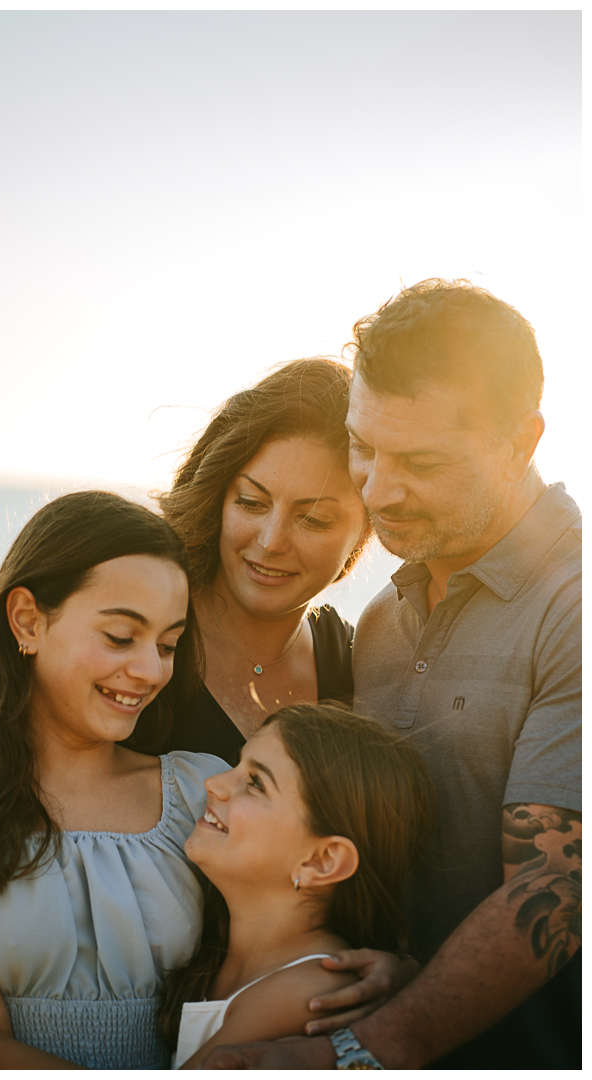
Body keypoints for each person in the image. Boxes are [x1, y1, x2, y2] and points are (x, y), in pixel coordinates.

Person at [198, 279, 581, 1070]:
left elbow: (557, 889)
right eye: (364, 448)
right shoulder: (379, 621)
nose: (377, 488)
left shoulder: (574, 608)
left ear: (523, 440)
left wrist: (360, 1050)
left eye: (421, 461)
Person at [0, 490, 229, 1069]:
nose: (150, 670)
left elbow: (271, 958)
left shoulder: (201, 792)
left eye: (168, 645)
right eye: (121, 636)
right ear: (27, 621)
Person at [161, 703, 435, 1068]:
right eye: (236, 763)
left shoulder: (312, 992)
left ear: (320, 862)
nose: (214, 783)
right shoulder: (211, 948)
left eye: (256, 783)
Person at [145, 356, 371, 762]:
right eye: (251, 503)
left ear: (368, 529)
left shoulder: (364, 668)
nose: (271, 542)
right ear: (218, 498)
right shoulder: (135, 630)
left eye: (314, 519)